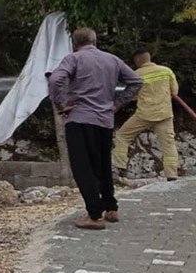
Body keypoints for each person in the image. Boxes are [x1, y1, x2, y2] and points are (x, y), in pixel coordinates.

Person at [47, 27, 142, 230]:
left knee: (83, 169)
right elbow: (136, 81)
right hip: (104, 121)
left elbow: (55, 80)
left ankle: (94, 216)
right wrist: (117, 103)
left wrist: (61, 104)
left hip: (79, 119)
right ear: (95, 41)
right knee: (102, 165)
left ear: (75, 44)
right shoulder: (113, 60)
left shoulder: (73, 59)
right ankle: (111, 208)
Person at [112, 46, 180, 181]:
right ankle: (171, 174)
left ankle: (120, 166)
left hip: (144, 115)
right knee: (169, 144)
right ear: (149, 57)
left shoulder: (135, 74)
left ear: (138, 60)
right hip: (164, 114)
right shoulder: (166, 71)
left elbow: (132, 95)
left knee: (122, 136)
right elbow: (175, 92)